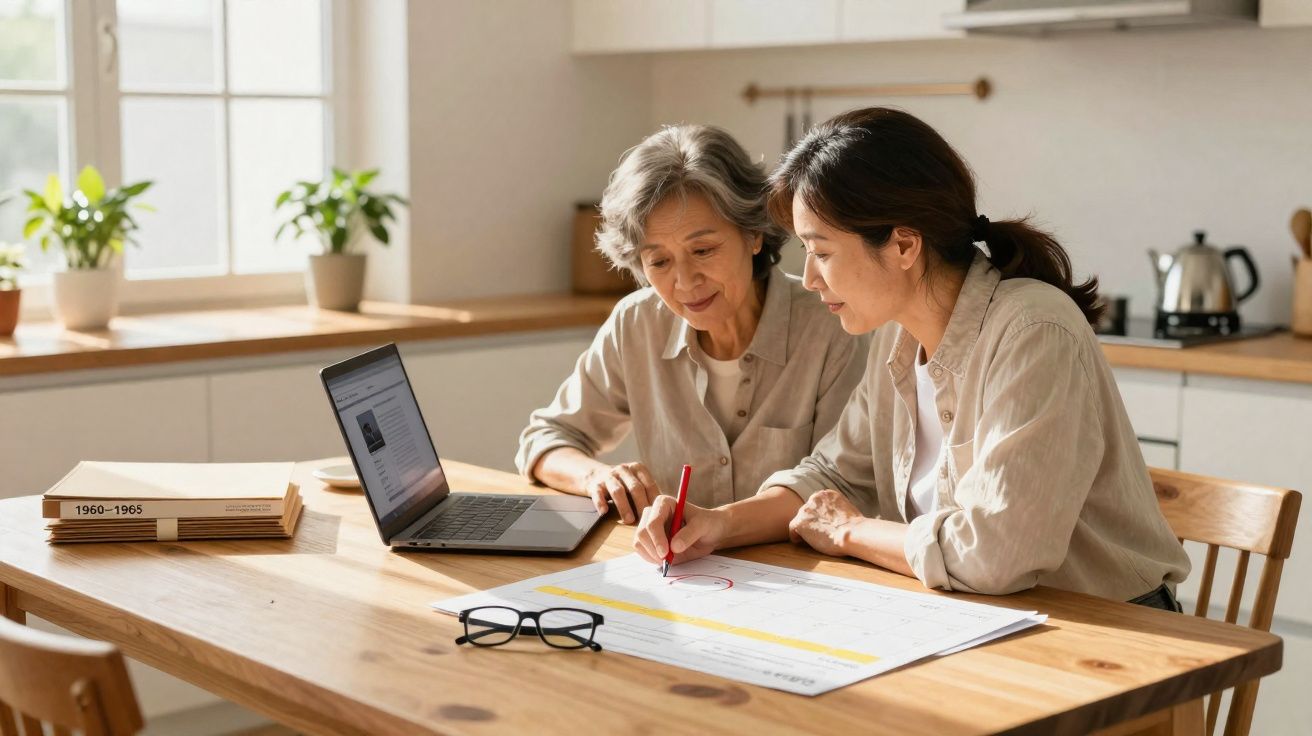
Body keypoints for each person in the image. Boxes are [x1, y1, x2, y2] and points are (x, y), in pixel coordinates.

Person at [634, 108, 1190, 609]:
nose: (807, 277)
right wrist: (716, 525)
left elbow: (995, 554)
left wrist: (851, 533)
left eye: (822, 252)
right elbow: (833, 474)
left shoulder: (1033, 331)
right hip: (983, 619)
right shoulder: (895, 339)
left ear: (904, 245)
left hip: (1109, 633)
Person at [516, 125, 867, 523]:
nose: (685, 283)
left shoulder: (832, 326)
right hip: (675, 570)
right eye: (659, 261)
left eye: (703, 250)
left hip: (804, 572)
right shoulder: (637, 324)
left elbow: (840, 485)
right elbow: (546, 439)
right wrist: (598, 476)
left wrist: (718, 528)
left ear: (753, 233)